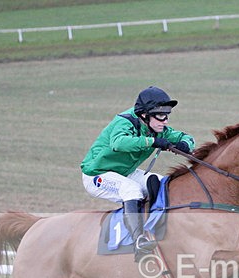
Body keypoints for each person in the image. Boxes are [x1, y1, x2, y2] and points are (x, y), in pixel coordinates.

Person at [81, 86, 194, 258]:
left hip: (124, 172)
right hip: (97, 174)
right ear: (144, 115)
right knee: (131, 190)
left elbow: (185, 137)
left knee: (162, 182)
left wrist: (185, 145)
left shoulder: (155, 127)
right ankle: (138, 242)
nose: (165, 121)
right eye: (161, 115)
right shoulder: (125, 121)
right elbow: (118, 143)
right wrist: (153, 142)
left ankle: (162, 227)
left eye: (167, 115)